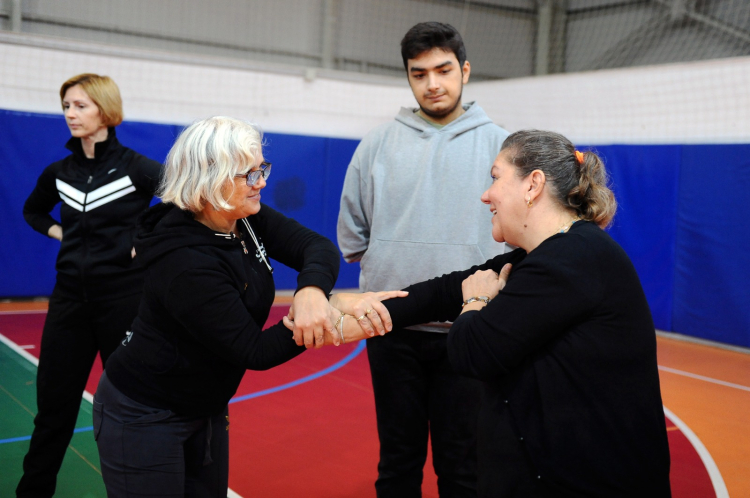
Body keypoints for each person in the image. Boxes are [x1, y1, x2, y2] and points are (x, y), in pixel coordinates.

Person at [333, 130, 672, 497]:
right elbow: (447, 288)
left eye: (495, 178)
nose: (486, 194)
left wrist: (475, 302)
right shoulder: (549, 253)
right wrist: (363, 309)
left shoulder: (571, 261)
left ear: (533, 185)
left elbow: (471, 351)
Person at [92, 116, 397, 497]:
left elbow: (314, 247)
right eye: (248, 175)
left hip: (205, 406)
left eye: (261, 169)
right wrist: (333, 316)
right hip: (145, 414)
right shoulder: (185, 260)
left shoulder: (239, 216)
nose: (262, 183)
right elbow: (255, 350)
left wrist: (312, 293)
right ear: (210, 181)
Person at [336, 21, 509, 497]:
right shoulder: (375, 144)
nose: (432, 83)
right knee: (397, 462)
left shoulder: (504, 146)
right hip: (391, 327)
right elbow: (353, 234)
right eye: (419, 73)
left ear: (465, 71)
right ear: (408, 77)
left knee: (465, 468)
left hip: (471, 331)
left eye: (443, 70)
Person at [18, 73, 163, 497]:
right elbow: (33, 211)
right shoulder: (58, 171)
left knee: (132, 407)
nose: (70, 114)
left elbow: (180, 205)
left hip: (123, 304)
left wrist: (143, 240)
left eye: (80, 105)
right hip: (68, 305)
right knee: (52, 412)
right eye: (66, 106)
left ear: (105, 110)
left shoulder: (137, 167)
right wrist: (59, 233)